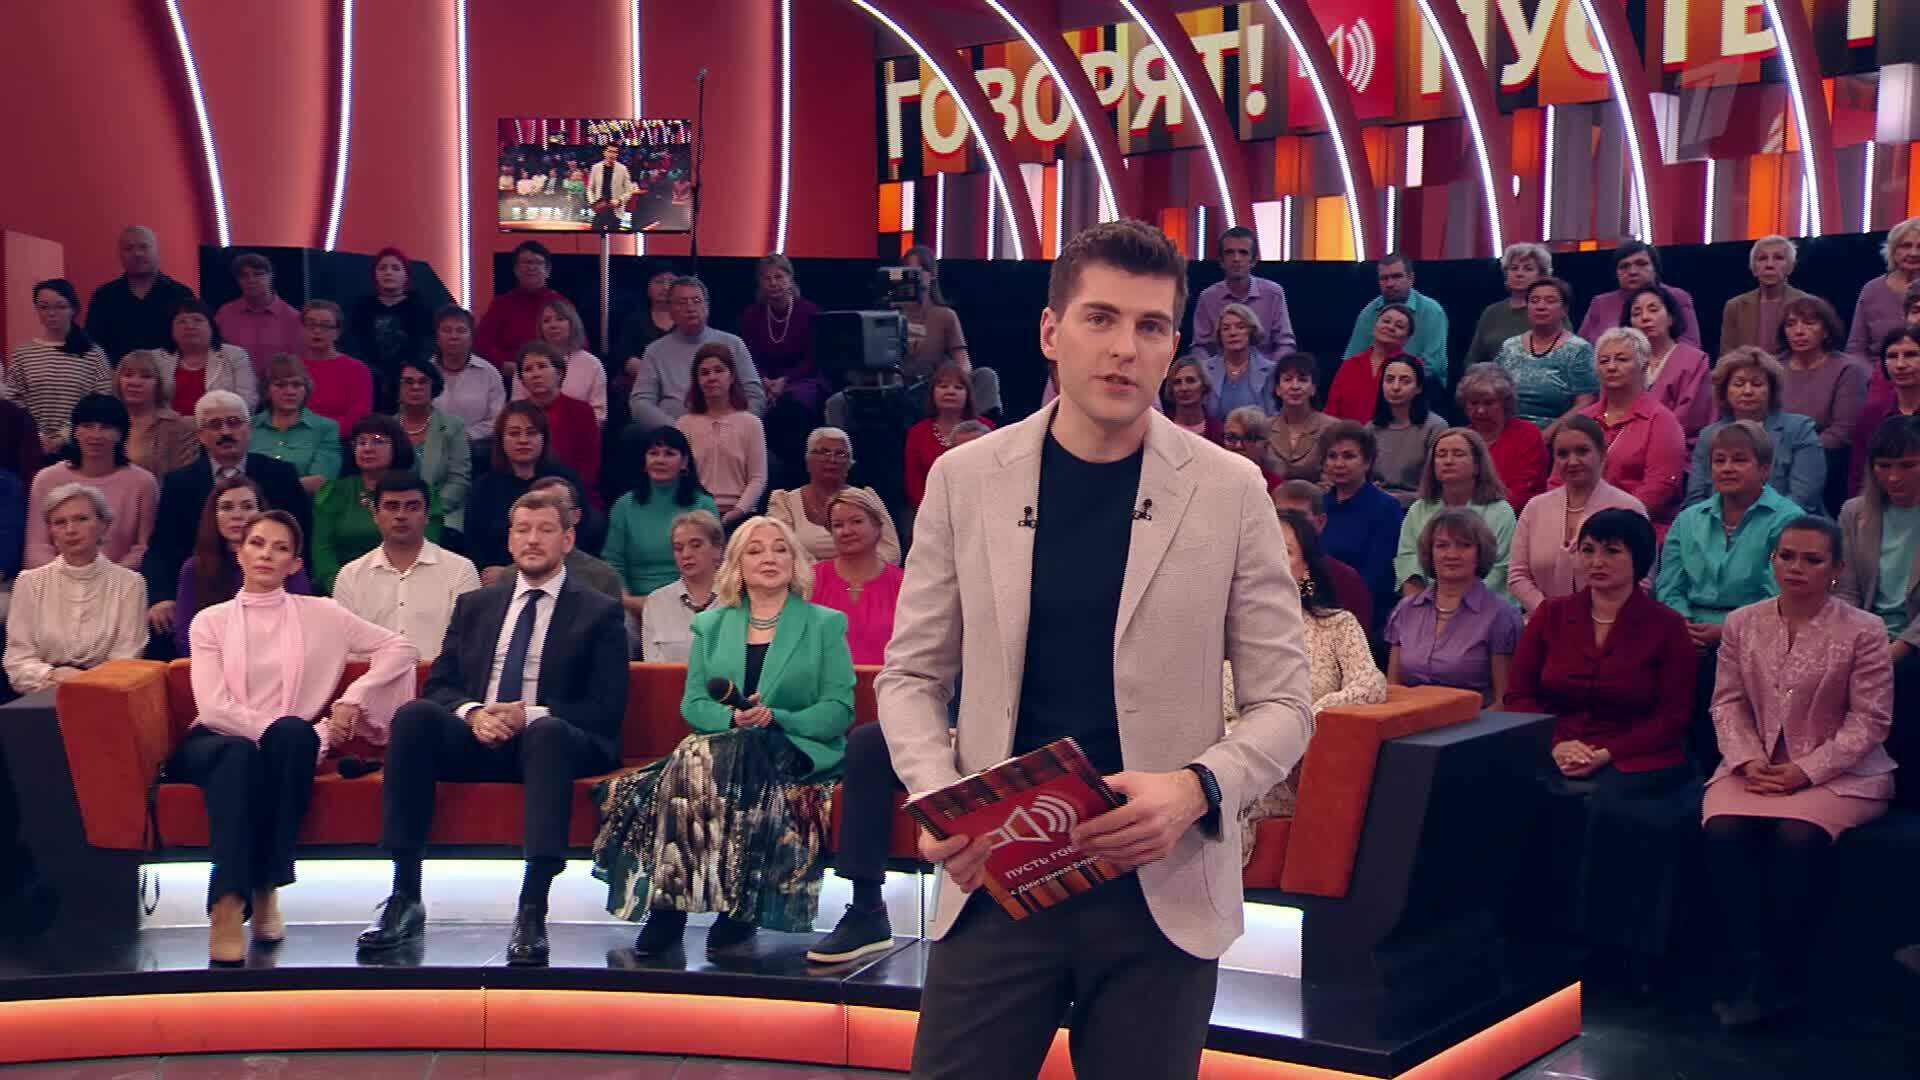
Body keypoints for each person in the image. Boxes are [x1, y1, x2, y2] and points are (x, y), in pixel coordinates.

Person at [876, 220, 1313, 1078]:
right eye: (1100, 318)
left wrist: (1196, 788)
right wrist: (938, 796)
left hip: (1161, 890)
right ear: (1051, 331)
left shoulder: (1230, 489)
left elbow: (1285, 704)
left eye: (1150, 326)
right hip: (997, 880)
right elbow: (912, 675)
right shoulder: (966, 479)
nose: (1124, 348)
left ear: (1173, 345)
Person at [358, 489, 626, 966]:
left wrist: (531, 715)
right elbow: (440, 686)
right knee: (414, 716)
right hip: (479, 735)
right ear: (509, 539)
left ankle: (532, 907)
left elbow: (604, 709)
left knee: (546, 733)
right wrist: (473, 713)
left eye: (545, 530)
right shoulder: (476, 605)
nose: (532, 540)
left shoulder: (598, 611)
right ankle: (404, 894)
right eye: (523, 530)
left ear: (567, 540)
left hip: (553, 741)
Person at [598, 515, 855, 956]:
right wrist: (733, 719)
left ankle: (691, 909)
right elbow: (694, 704)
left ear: (795, 562)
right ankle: (699, 907)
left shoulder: (825, 624)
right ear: (737, 565)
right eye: (755, 550)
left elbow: (838, 710)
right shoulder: (712, 626)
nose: (769, 558)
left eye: (780, 549)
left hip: (793, 748)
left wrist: (776, 717)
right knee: (703, 751)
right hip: (724, 751)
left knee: (700, 756)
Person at [180, 510, 416, 962]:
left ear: (295, 564)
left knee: (293, 735)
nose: (266, 555)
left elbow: (400, 647)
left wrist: (354, 697)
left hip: (288, 745)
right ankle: (228, 905)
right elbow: (212, 708)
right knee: (244, 755)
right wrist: (284, 734)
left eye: (280, 548)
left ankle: (265, 887)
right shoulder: (210, 621)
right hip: (215, 739)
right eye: (257, 544)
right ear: (239, 552)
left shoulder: (323, 614)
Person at [1704, 516, 1894, 1028]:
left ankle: (1782, 977)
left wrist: (1805, 772)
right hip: (1753, 763)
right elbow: (1727, 702)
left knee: (1797, 835)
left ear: (1837, 568)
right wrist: (1747, 759)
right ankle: (1748, 965)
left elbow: (1870, 721)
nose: (1796, 568)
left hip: (1842, 772)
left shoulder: (1866, 630)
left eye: (1812, 560)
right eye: (1786, 556)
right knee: (1723, 830)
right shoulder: (1742, 622)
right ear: (1772, 560)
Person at [1507, 508, 1698, 969]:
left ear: (1639, 559)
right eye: (1588, 550)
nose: (1597, 561)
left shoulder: (1667, 626)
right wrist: (1556, 743)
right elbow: (1519, 696)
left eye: (1612, 551)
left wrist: (1607, 753)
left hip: (1638, 752)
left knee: (1607, 808)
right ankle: (1526, 938)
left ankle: (1608, 948)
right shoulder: (1551, 615)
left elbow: (1673, 717)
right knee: (1515, 796)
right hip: (1557, 744)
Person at [1232, 509, 1385, 846]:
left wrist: (1305, 718)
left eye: (1284, 551)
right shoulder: (1230, 630)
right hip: (1232, 757)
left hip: (1290, 766)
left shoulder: (1337, 625)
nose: (1269, 559)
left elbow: (1370, 684)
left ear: (1306, 569)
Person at [144, 392, 313, 638]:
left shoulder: (280, 475)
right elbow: (161, 546)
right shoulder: (179, 482)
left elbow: (302, 537)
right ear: (200, 435)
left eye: (233, 423)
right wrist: (161, 597)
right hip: (203, 585)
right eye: (215, 425)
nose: (225, 432)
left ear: (249, 429)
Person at [1835, 416, 1920, 788]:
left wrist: (1893, 651)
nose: (1894, 477)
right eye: (1884, 466)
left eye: (1908, 466)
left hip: (1913, 640)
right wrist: (1859, 643)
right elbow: (1846, 590)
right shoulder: (1854, 513)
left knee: (1905, 677)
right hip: (1866, 632)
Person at [4, 483, 146, 695]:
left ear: (104, 525)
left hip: (107, 695)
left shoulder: (130, 583)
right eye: (60, 522)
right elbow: (17, 660)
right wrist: (51, 675)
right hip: (42, 693)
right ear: (51, 531)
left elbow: (127, 659)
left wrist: (83, 682)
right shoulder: (29, 582)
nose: (70, 530)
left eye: (81, 519)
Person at [333, 471, 482, 662]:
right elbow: (343, 648)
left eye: (412, 507)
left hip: (439, 679)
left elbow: (470, 644)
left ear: (427, 515)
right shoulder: (350, 575)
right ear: (375, 515)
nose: (401, 516)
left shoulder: (460, 570)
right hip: (369, 678)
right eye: (392, 507)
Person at [1508, 415, 1647, 618]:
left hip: (1613, 623)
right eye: (1563, 454)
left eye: (1582, 451)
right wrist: (1550, 614)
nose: (1572, 461)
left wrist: (1595, 619)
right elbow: (1517, 575)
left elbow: (1642, 579)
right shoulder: (1535, 508)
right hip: (1543, 621)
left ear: (1602, 453)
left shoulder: (1629, 508)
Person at [1387, 509, 1523, 707]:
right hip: (1408, 720)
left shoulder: (1501, 615)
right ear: (1430, 552)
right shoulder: (1406, 609)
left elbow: (1505, 702)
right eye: (1442, 545)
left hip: (1477, 724)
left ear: (1480, 552)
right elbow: (1393, 689)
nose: (1451, 554)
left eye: (1464, 545)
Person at [172, 475, 315, 652]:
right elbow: (185, 636)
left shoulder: (283, 562)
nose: (237, 515)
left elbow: (303, 624)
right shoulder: (195, 568)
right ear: (213, 516)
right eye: (227, 507)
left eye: (247, 507)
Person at [1572, 327, 1689, 532]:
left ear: (1644, 366)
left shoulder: (1662, 421)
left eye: (1622, 359)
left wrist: (1607, 522)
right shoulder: (1582, 420)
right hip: (1576, 523)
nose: (1611, 367)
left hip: (1635, 528)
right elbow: (1558, 480)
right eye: (1604, 361)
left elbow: (1658, 488)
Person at [23, 395, 156, 570]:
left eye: (106, 427)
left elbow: (143, 548)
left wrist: (108, 576)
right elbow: (37, 546)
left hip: (119, 579)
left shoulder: (143, 482)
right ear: (75, 431)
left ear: (121, 434)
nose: (95, 435)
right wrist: (68, 576)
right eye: (87, 426)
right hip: (55, 578)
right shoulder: (46, 479)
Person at [1684, 347, 1825, 513]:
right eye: (1738, 384)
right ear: (1724, 390)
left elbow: (1802, 498)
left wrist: (1755, 523)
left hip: (1786, 523)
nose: (1747, 391)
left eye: (1757, 384)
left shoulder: (1799, 429)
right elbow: (1696, 499)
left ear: (1771, 390)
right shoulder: (1708, 435)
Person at [312, 415, 442, 594]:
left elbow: (429, 545)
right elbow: (322, 551)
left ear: (397, 447)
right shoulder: (335, 492)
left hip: (408, 585)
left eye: (378, 441)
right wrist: (339, 587)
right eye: (361, 442)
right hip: (345, 587)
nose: (367, 448)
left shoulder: (418, 493)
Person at [606, 424, 720, 624]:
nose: (660, 460)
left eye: (669, 453)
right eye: (653, 453)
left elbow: (714, 560)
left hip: (692, 599)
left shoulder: (703, 504)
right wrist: (629, 600)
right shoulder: (624, 506)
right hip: (635, 604)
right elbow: (613, 561)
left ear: (684, 462)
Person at [464, 402, 589, 584]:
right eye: (514, 433)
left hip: (559, 580)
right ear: (501, 439)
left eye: (531, 433)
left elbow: (579, 541)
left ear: (544, 438)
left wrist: (512, 574)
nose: (523, 440)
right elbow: (474, 546)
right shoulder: (484, 488)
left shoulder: (565, 482)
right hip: (495, 585)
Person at [1393, 428, 1516, 600]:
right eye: (1441, 455)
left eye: (1458, 454)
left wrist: (1452, 605)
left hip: (1484, 606)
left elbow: (1498, 572)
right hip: (1425, 604)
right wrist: (1421, 607)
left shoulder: (1501, 512)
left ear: (1477, 465)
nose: (1448, 461)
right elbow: (1408, 565)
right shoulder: (1418, 510)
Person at [630, 276, 766, 430]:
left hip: (730, 430)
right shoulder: (655, 351)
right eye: (682, 302)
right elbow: (640, 402)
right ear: (670, 310)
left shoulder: (734, 344)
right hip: (676, 434)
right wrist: (678, 429)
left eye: (696, 301)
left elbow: (755, 396)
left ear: (707, 307)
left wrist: (737, 428)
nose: (690, 308)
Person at [739, 254, 827, 489]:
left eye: (779, 277)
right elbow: (747, 355)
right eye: (767, 278)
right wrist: (763, 380)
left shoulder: (809, 311)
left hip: (802, 378)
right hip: (762, 380)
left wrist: (785, 381)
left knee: (790, 408)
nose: (774, 283)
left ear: (790, 278)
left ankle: (797, 479)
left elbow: (814, 358)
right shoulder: (752, 314)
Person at [1776, 295, 1867, 513]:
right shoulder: (1773, 367)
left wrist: (1797, 453)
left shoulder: (1847, 369)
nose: (1799, 331)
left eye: (1809, 323)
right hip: (1772, 458)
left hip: (1826, 461)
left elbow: (1842, 432)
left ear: (1826, 331)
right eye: (1791, 324)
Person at [7, 279, 114, 455]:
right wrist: (37, 436)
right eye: (44, 307)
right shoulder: (23, 354)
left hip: (81, 447)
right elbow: (13, 401)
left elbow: (101, 400)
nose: (51, 313)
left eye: (60, 306)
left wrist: (64, 437)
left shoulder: (92, 353)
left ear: (73, 309)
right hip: (32, 447)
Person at [891, 245, 1000, 415]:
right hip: (902, 387)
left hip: (937, 384)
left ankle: (978, 427)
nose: (915, 275)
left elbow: (963, 361)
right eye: (909, 270)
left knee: (986, 376)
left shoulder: (945, 316)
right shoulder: (890, 315)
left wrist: (954, 381)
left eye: (921, 269)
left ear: (933, 274)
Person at [767, 427, 900, 564]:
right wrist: (827, 572)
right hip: (804, 576)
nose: (832, 459)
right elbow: (780, 550)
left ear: (849, 463)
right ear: (808, 460)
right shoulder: (785, 503)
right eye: (823, 452)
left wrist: (855, 570)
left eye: (840, 454)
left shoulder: (867, 498)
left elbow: (891, 551)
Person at [1319, 421, 1406, 625]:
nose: (1339, 464)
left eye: (1348, 456)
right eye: (1332, 456)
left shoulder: (1386, 508)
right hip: (1318, 608)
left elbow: (1379, 578)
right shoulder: (1319, 505)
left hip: (1363, 615)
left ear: (1367, 462)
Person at [808, 488, 904, 666]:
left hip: (889, 681)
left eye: (856, 521)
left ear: (877, 527)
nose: (846, 531)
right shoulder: (809, 580)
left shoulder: (904, 584)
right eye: (838, 525)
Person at [675, 341, 767, 524]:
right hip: (696, 514)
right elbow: (680, 477)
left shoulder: (751, 423)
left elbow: (757, 479)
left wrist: (737, 512)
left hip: (741, 516)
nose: (711, 377)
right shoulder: (684, 424)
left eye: (719, 370)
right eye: (704, 373)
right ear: (697, 381)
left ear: (732, 377)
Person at [1496, 277, 1597, 430]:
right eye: (1534, 301)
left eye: (1550, 301)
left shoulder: (1579, 349)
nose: (1540, 306)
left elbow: (1586, 402)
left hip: (1557, 433)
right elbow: (1494, 392)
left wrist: (1549, 434)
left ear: (1564, 310)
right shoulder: (1509, 346)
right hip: (1507, 429)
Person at [83, 226, 196, 362]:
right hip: (117, 374)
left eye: (144, 247)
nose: (137, 253)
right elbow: (93, 346)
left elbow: (193, 343)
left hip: (171, 374)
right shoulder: (104, 296)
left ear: (157, 252)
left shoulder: (180, 294)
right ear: (120, 255)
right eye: (129, 248)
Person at [1271, 480, 1374, 629]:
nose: (1290, 524)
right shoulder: (1253, 573)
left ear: (1320, 522)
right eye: (1280, 515)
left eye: (1299, 517)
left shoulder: (1346, 580)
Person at [345, 247, 435, 410]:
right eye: (382, 268)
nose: (388, 272)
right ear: (374, 275)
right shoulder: (363, 306)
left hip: (409, 381)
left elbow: (426, 346)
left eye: (395, 268)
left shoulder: (419, 307)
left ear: (406, 275)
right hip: (368, 379)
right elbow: (353, 343)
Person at [393, 358, 472, 539]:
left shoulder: (453, 427)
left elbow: (459, 480)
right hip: (394, 513)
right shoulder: (387, 428)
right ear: (397, 388)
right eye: (408, 382)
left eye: (423, 381)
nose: (416, 387)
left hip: (442, 513)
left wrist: (429, 511)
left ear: (433, 387)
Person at [1623, 284, 1714, 442]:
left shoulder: (1694, 360)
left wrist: (1647, 437)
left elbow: (1691, 417)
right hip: (1626, 443)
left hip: (1677, 445)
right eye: (1636, 313)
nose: (1645, 317)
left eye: (1653, 310)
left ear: (1671, 318)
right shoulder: (1622, 361)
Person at [1341, 254, 1448, 385]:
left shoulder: (1432, 311)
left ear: (1411, 278)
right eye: (1384, 278)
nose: (1390, 284)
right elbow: (1351, 359)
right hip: (1375, 383)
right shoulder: (1368, 313)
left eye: (1397, 276)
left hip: (1421, 384)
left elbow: (1434, 364)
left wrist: (1394, 381)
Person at [514, 342, 601, 500]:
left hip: (571, 491)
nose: (535, 374)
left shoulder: (582, 411)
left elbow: (588, 467)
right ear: (522, 380)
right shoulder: (514, 414)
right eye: (528, 369)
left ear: (559, 373)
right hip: (522, 492)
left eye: (542, 366)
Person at [1192, 226, 1295, 358]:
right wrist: (1208, 369)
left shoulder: (1273, 293)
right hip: (1219, 369)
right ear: (1221, 261)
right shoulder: (1208, 297)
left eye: (1243, 252)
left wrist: (1273, 369)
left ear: (1253, 260)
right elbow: (1200, 346)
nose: (1236, 258)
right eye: (1229, 252)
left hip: (1266, 369)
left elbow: (1285, 343)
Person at [1577, 240, 1703, 348]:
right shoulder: (1600, 303)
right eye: (1624, 266)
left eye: (1641, 264)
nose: (1632, 271)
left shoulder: (1677, 297)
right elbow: (1583, 349)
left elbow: (1691, 345)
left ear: (1655, 268)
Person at [637, 509, 725, 662]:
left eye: (696, 545)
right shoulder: (656, 602)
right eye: (678, 548)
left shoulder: (738, 597)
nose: (686, 554)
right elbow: (653, 668)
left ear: (717, 549)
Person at [1457, 362, 1546, 511]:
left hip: (1517, 516)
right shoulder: (1460, 438)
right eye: (1474, 403)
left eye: (1489, 403)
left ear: (1505, 403)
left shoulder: (1527, 434)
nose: (1480, 410)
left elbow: (1521, 493)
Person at [904, 362, 994, 508]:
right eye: (943, 386)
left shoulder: (987, 427)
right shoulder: (917, 432)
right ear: (932, 393)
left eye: (958, 387)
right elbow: (914, 483)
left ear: (968, 394)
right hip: (931, 509)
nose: (950, 391)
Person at [250, 354, 343, 496]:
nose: (290, 392)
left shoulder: (326, 428)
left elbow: (321, 480)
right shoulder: (249, 426)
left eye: (297, 385)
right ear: (266, 390)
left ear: (306, 389)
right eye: (280, 385)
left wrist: (267, 488)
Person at [1464, 243, 1561, 376]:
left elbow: (1567, 356)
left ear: (1541, 276)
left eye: (1528, 269)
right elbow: (1473, 360)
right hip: (1495, 384)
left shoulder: (1551, 311)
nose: (1519, 274)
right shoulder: (1492, 312)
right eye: (1514, 268)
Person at [1845, 217, 1920, 383]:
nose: (1914, 253)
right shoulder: (1872, 290)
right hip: (1878, 379)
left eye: (1919, 247)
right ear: (1893, 250)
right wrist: (1875, 378)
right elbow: (1856, 349)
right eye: (1906, 246)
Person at [526, 476, 624, 602]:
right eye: (539, 508)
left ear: (576, 516)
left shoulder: (602, 578)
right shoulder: (508, 578)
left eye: (559, 507)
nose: (548, 516)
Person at [511, 298, 608, 424]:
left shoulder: (592, 364)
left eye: (560, 319)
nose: (553, 325)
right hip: (533, 430)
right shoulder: (527, 362)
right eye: (546, 321)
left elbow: (599, 415)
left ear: (572, 324)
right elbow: (516, 408)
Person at [1848, 327, 1920, 495]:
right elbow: (1858, 476)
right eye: (1892, 356)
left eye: (1911, 354)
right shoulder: (1871, 415)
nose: (1900, 365)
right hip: (1880, 501)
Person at [1367, 358, 1447, 507]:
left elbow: (1439, 486)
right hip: (1376, 506)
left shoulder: (1435, 427)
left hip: (1420, 507)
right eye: (1389, 380)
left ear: (1419, 388)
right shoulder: (1371, 429)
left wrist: (1396, 499)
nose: (1395, 387)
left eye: (1405, 381)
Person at [428, 305, 507, 452]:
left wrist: (467, 435)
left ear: (471, 338)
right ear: (437, 338)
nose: (454, 336)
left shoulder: (489, 373)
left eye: (461, 330)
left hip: (477, 449)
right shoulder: (424, 373)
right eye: (447, 330)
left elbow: (497, 420)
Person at [473, 241, 564, 364]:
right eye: (526, 262)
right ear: (515, 270)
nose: (531, 267)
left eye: (538, 263)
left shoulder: (561, 304)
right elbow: (482, 344)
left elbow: (577, 343)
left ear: (548, 271)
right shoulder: (500, 305)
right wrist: (503, 365)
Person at [162, 299, 258, 414]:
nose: (190, 326)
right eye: (182, 321)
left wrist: (205, 422)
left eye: (197, 320)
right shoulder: (156, 359)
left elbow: (247, 402)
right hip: (169, 424)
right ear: (171, 329)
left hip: (220, 424)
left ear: (211, 327)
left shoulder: (235, 355)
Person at [215, 253, 303, 377]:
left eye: (258, 274)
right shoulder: (225, 314)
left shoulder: (292, 318)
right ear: (238, 281)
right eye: (244, 276)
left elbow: (299, 363)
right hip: (234, 386)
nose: (251, 280)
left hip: (277, 386)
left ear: (270, 276)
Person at [114, 349, 198, 481]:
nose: (134, 382)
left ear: (160, 384)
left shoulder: (178, 427)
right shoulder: (107, 422)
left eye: (146, 376)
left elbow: (182, 482)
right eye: (128, 375)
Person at [1719, 235, 1810, 355]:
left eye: (1778, 258)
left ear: (1790, 267)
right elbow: (1726, 356)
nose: (1769, 265)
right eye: (1762, 258)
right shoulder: (1735, 306)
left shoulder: (1806, 303)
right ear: (1753, 268)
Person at [1326, 303, 1415, 423]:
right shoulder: (1350, 364)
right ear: (1374, 326)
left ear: (1407, 338)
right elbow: (1331, 411)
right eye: (1386, 321)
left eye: (1399, 326)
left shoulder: (1412, 367)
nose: (1390, 327)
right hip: (1348, 433)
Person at [295, 300, 373, 432]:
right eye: (311, 324)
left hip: (340, 439)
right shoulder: (290, 368)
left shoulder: (357, 370)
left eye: (325, 326)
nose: (317, 330)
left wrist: (321, 433)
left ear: (337, 332)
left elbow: (359, 417)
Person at [1264, 353, 1332, 483]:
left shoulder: (1332, 428)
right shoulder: (1264, 428)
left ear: (1313, 389)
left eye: (1302, 380)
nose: (1295, 386)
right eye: (1288, 379)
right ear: (1277, 389)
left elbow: (1332, 481)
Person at [1200, 304, 1276, 420]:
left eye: (1240, 327)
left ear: (1251, 331)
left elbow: (1273, 416)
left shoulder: (1271, 370)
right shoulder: (1204, 370)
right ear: (1220, 335)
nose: (1232, 333)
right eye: (1226, 328)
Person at [612, 267, 679, 392]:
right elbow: (625, 358)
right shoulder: (634, 320)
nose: (665, 287)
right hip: (642, 387)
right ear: (647, 288)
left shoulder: (688, 320)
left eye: (671, 281)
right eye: (659, 281)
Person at [1159, 354, 1220, 442]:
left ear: (1204, 385)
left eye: (1191, 381)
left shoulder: (1218, 430)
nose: (1184, 388)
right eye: (1177, 382)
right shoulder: (1161, 428)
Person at [1223, 407, 1282, 491]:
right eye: (1232, 437)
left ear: (1265, 445)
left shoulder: (1276, 488)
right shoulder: (1212, 478)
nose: (1238, 446)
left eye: (1249, 438)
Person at [586, 143, 636, 231]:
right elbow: (590, 189)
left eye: (615, 152)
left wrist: (620, 201)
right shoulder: (595, 167)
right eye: (610, 151)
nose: (612, 154)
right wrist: (593, 203)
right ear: (604, 153)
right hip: (600, 208)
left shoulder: (623, 169)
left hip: (615, 209)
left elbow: (629, 190)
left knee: (613, 236)